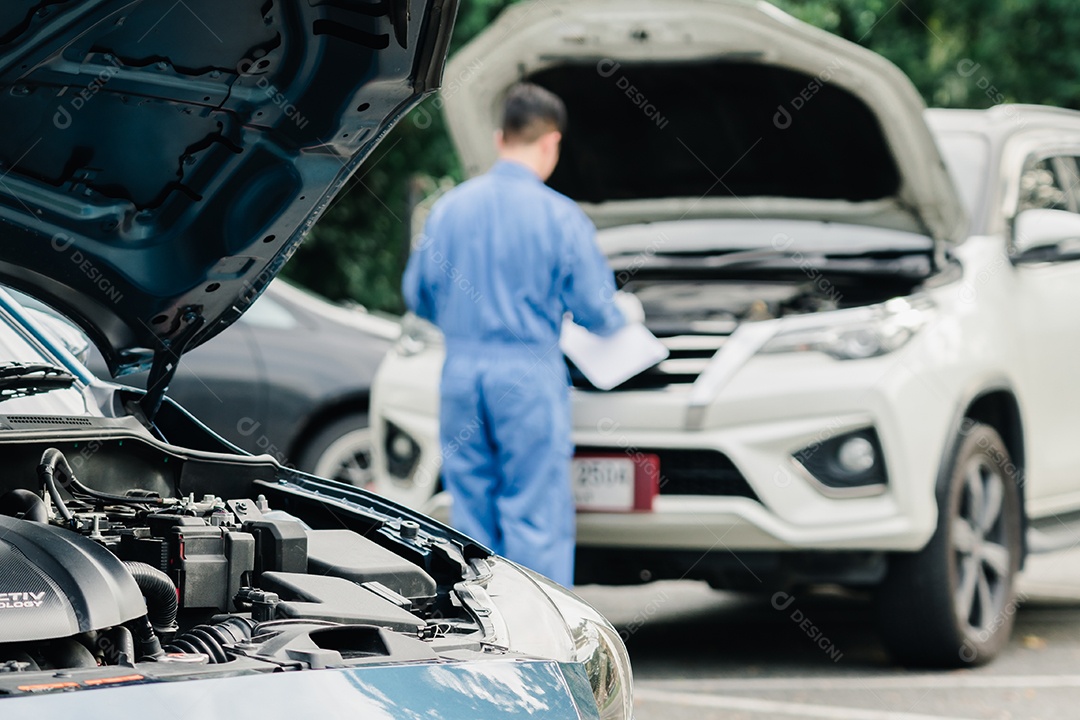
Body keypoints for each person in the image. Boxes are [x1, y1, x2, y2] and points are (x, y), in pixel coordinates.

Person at [401, 83, 626, 586]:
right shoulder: (560, 216)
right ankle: (542, 646)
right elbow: (596, 311)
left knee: (472, 517)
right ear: (551, 144)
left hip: (461, 376)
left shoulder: (447, 211)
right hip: (527, 379)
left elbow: (418, 295)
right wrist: (621, 320)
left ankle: (486, 633)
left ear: (501, 138)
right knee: (535, 513)